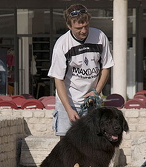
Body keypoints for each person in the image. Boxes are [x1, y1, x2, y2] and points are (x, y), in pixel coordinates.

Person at [48, 4, 114, 138]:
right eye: (79, 28)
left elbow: (106, 67)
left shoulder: (100, 37)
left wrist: (97, 91)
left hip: (92, 101)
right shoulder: (62, 45)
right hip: (69, 101)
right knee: (67, 146)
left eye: (86, 26)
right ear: (69, 26)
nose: (84, 31)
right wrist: (68, 109)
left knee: (93, 144)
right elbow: (58, 80)